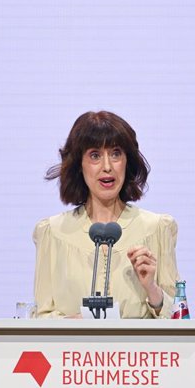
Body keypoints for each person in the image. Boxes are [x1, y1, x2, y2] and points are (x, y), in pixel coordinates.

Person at [33, 111, 181, 318]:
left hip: (137, 351)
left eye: (116, 153)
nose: (107, 167)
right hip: (73, 350)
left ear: (127, 161)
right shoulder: (53, 232)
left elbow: (179, 320)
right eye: (95, 155)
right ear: (79, 164)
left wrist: (152, 289)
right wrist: (72, 323)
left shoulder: (156, 228)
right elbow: (40, 317)